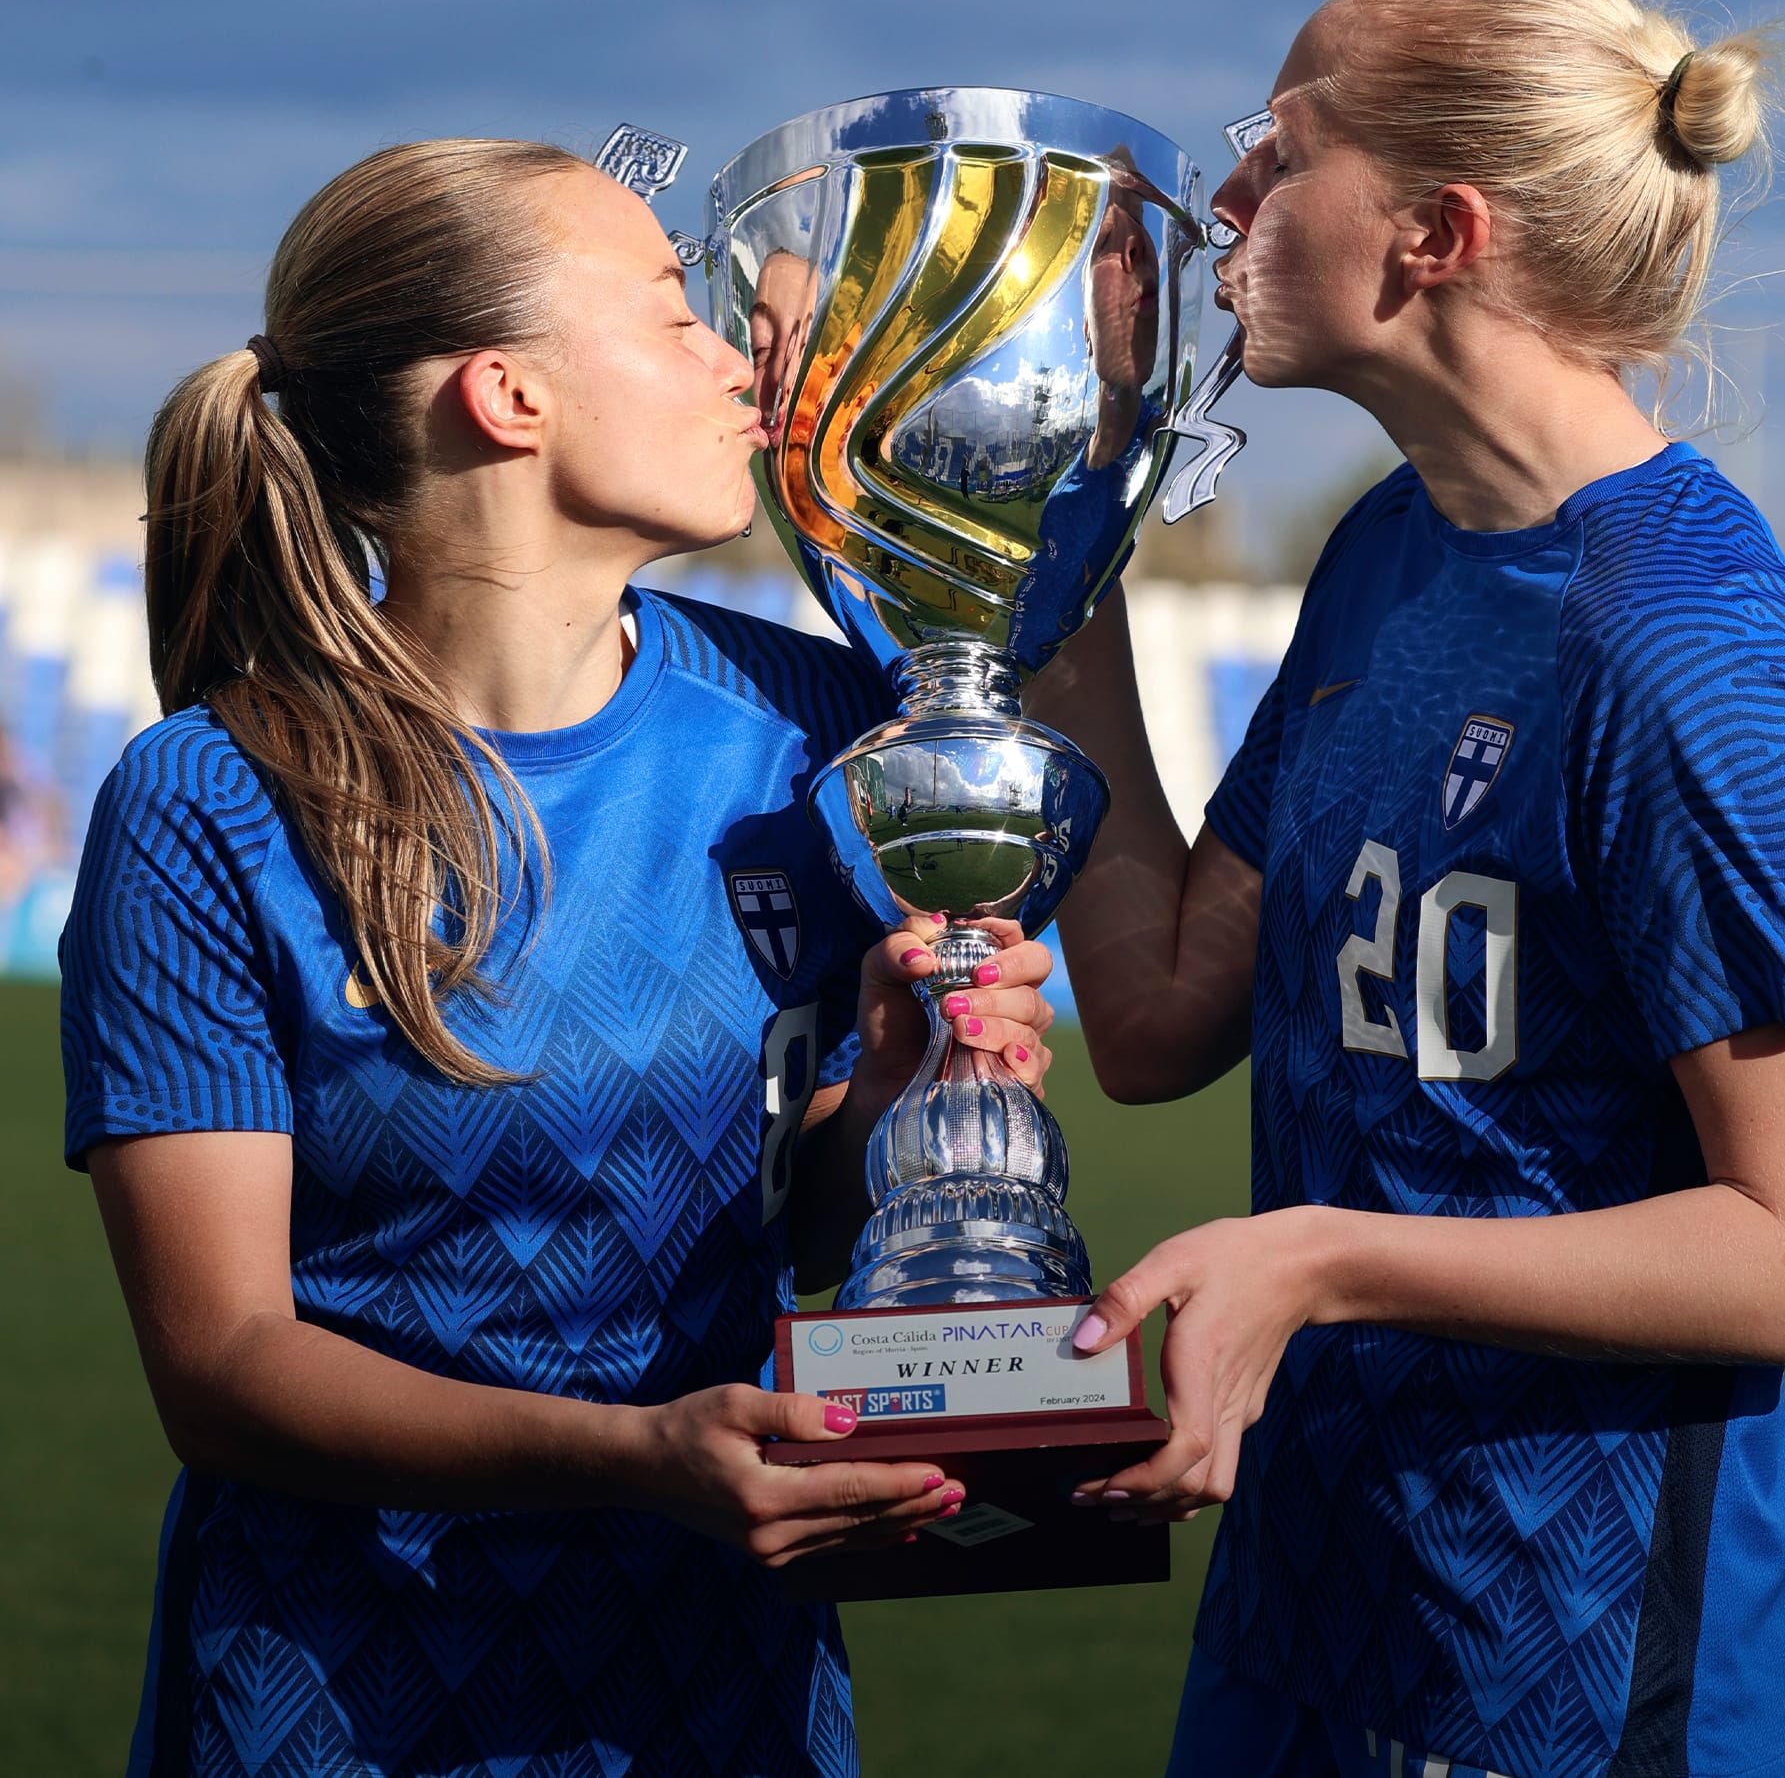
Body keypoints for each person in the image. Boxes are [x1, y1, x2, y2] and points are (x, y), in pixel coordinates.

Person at [59, 138, 1055, 1778]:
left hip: (728, 1701)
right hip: (333, 1708)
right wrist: (638, 1455)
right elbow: (224, 1370)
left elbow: (784, 1230)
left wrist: (891, 1094)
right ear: (507, 397)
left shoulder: (813, 735)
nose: (735, 362)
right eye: (675, 316)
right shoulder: (211, 800)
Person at [1033, 0, 1785, 1778]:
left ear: (1432, 233)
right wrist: (1072, 531)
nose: (1224, 204)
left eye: (1274, 156)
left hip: (1571, 1690)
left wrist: (1324, 1261)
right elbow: (1162, 1012)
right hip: (1304, 1616)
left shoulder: (1687, 653)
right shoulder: (1384, 552)